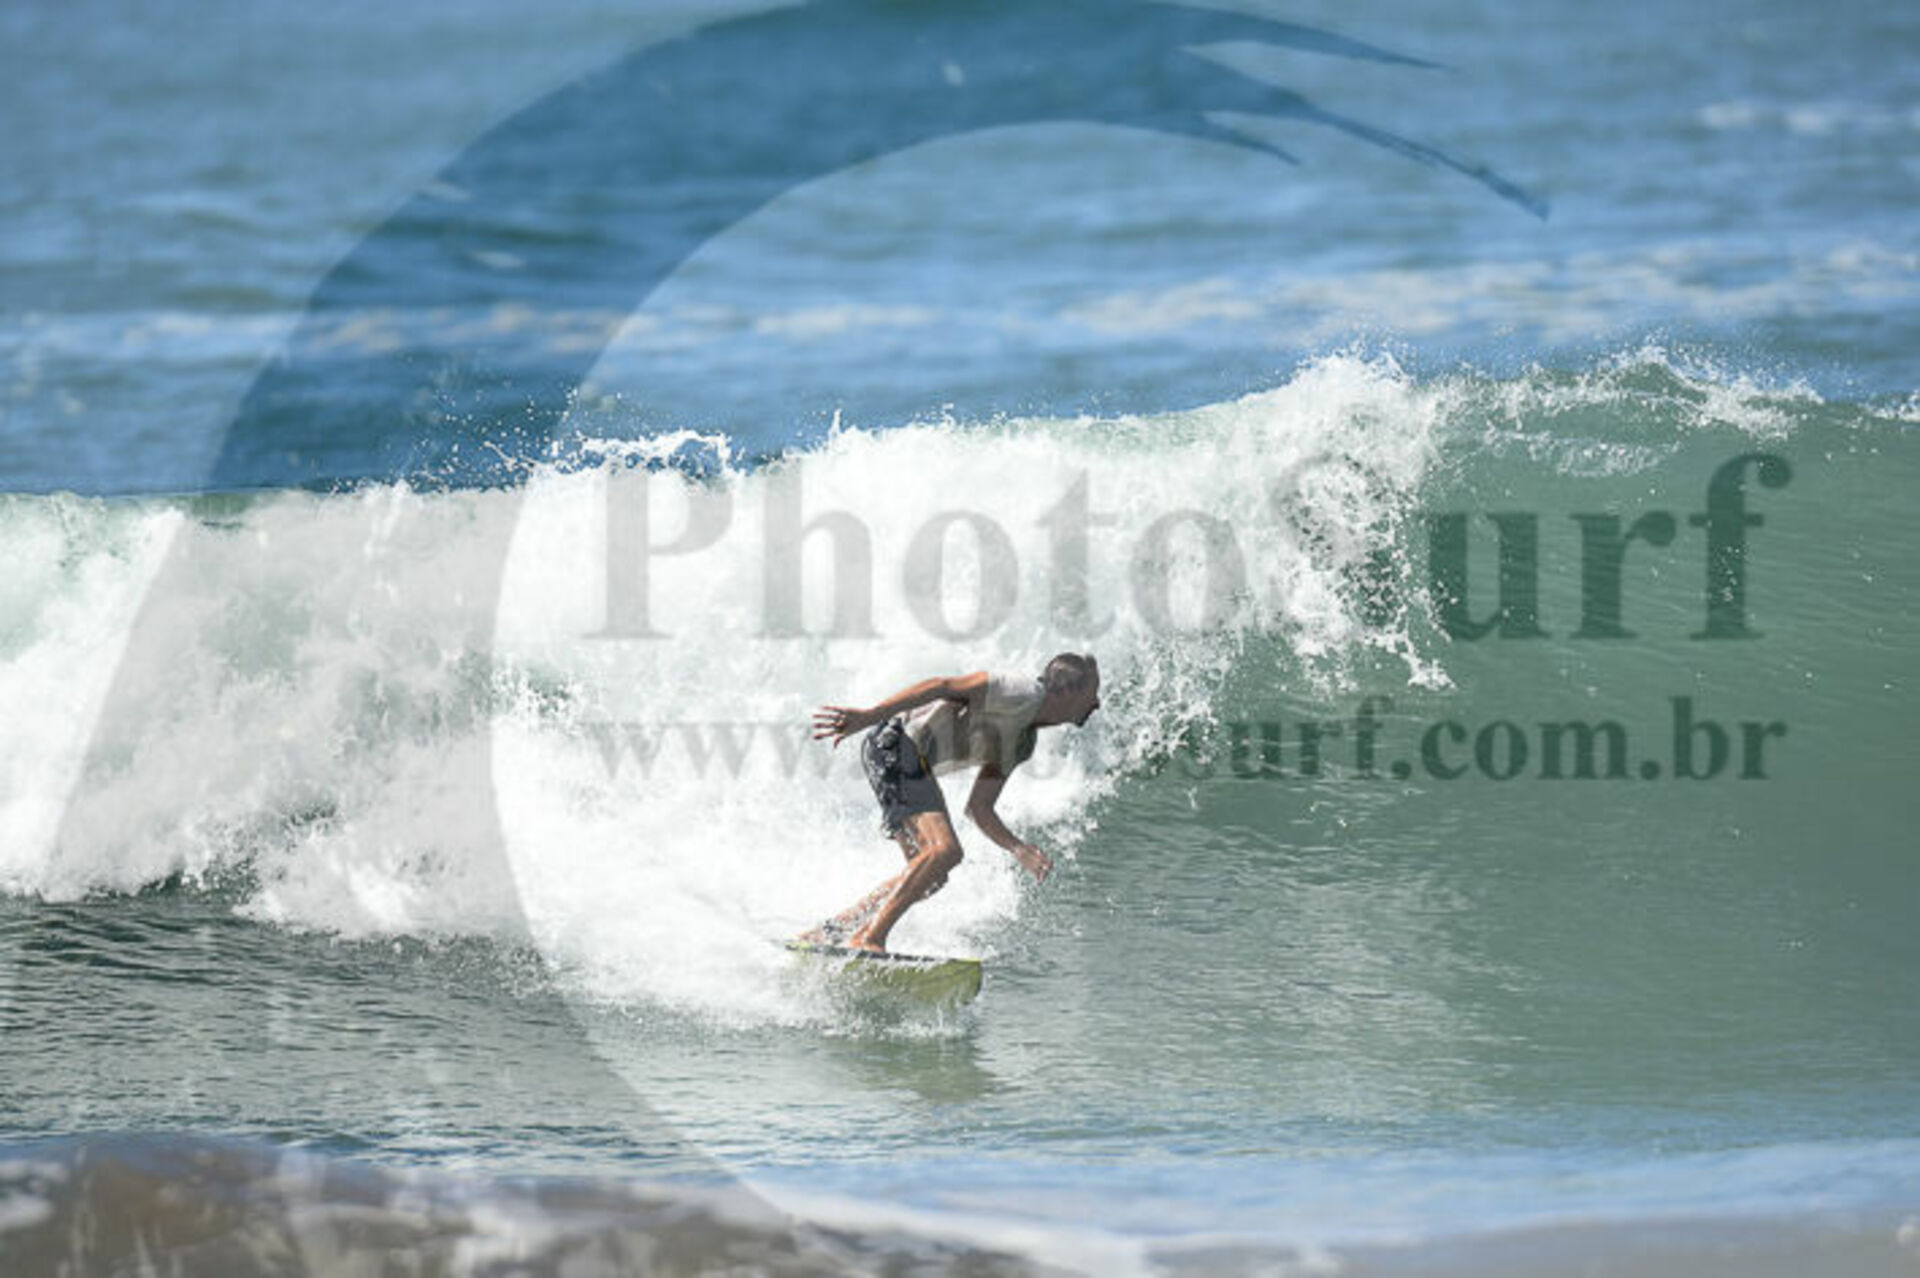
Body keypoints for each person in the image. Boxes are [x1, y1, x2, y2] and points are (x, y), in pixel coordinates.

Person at [804, 652, 1100, 953]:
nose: (1097, 703)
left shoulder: (1022, 743)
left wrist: (1018, 848)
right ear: (1067, 691)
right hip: (895, 743)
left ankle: (831, 931)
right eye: (1092, 693)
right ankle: (869, 938)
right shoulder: (1021, 692)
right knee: (945, 851)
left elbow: (979, 807)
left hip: (903, 759)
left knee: (929, 877)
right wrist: (869, 715)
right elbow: (941, 686)